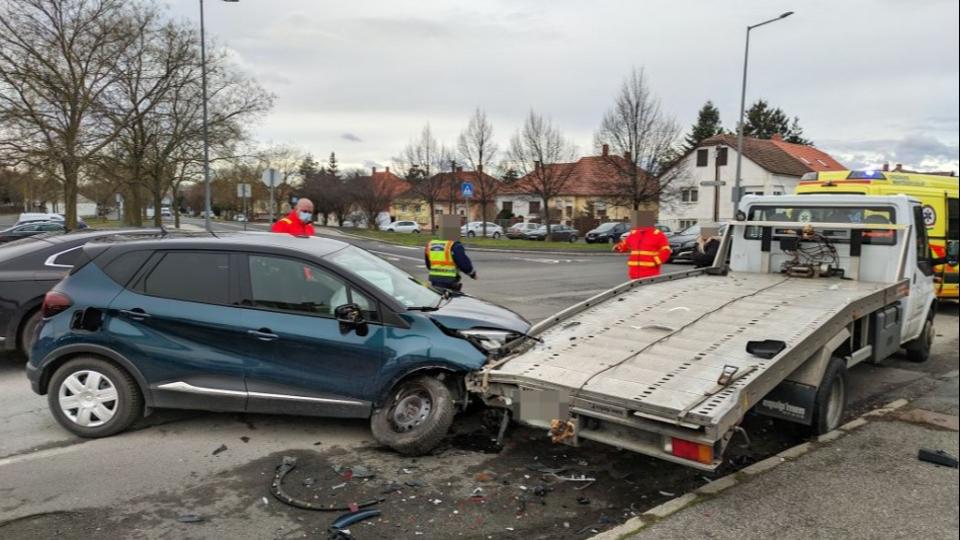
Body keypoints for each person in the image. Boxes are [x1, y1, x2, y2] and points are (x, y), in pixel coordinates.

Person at [613, 210, 671, 280]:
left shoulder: (658, 235)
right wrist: (619, 247)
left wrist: (655, 261)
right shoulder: (634, 233)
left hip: (650, 274)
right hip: (634, 274)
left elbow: (666, 251)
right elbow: (625, 244)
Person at [425, 215, 476, 292]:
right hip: (450, 281)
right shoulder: (455, 246)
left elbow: (429, 265)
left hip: (434, 281)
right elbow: (464, 264)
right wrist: (472, 274)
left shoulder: (431, 245)